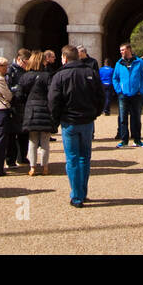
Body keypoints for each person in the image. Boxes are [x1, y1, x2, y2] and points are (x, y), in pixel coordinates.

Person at [48, 44, 105, 207]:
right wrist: (95, 113)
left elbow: (53, 100)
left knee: (72, 158)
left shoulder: (59, 76)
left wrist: (55, 119)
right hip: (87, 121)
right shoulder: (91, 73)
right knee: (84, 158)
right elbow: (100, 96)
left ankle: (77, 196)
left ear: (64, 58)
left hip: (69, 122)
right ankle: (82, 192)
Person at [15, 51, 56, 175]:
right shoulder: (47, 76)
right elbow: (52, 94)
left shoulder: (25, 76)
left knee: (32, 140)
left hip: (31, 110)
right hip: (44, 109)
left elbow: (19, 95)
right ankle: (45, 167)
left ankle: (32, 167)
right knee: (45, 141)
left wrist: (27, 102)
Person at [111, 42, 143, 147]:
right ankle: (124, 140)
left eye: (123, 50)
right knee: (123, 118)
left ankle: (137, 139)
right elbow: (115, 78)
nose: (121, 52)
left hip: (136, 94)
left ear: (129, 50)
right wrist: (119, 90)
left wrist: (142, 90)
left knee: (136, 118)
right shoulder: (119, 63)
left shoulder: (140, 62)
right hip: (123, 94)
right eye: (120, 50)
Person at [7, 48, 30, 169]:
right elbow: (8, 87)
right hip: (14, 104)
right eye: (26, 61)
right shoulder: (10, 70)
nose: (27, 64)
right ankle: (10, 159)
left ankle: (22, 156)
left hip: (24, 104)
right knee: (12, 133)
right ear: (20, 60)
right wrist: (20, 88)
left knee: (24, 132)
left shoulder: (25, 70)